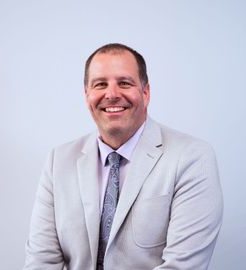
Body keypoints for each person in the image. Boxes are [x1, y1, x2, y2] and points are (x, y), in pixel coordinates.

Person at [23, 43, 223, 270]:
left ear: (145, 93)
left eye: (124, 83)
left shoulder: (192, 158)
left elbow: (181, 267)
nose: (112, 94)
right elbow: (41, 262)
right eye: (100, 84)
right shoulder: (58, 161)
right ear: (87, 95)